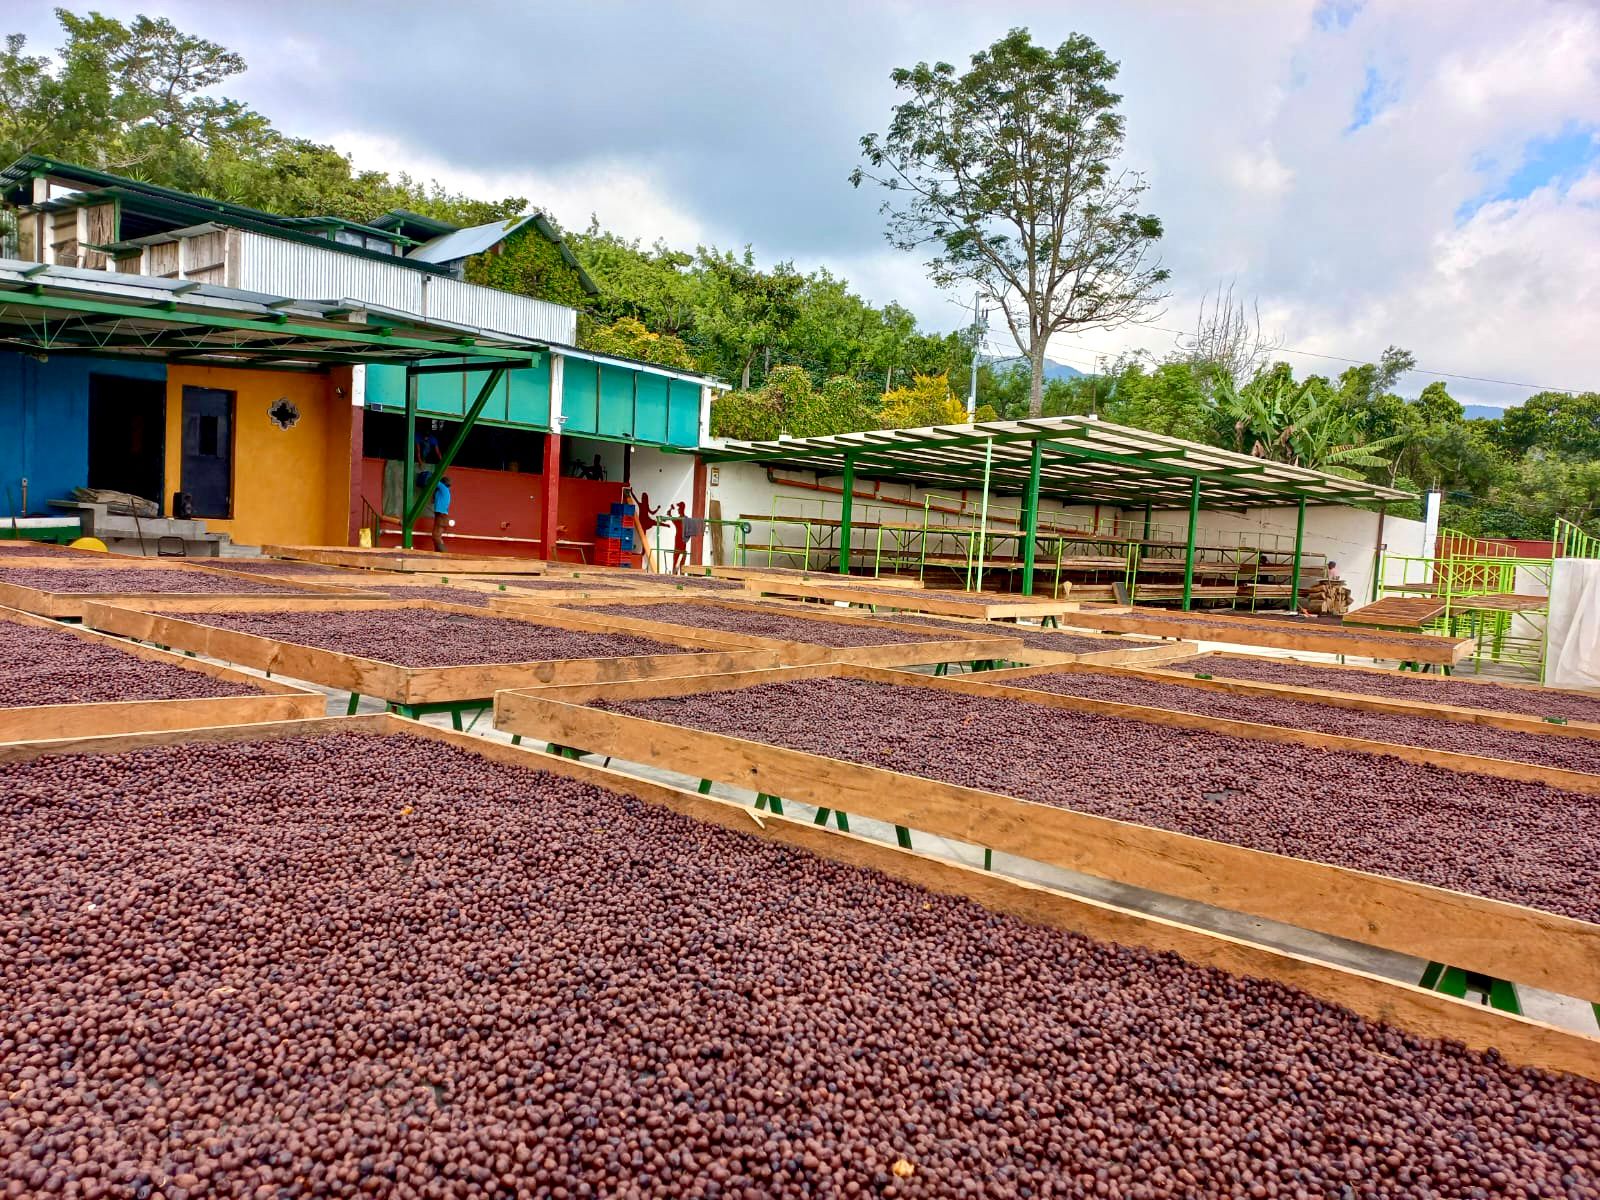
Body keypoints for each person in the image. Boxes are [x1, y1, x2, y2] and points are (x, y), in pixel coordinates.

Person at [431, 475, 452, 553]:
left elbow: (434, 480)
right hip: (443, 517)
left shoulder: (443, 488)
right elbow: (433, 501)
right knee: (436, 537)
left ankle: (444, 556)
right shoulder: (444, 492)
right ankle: (438, 555)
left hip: (441, 516)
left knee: (436, 537)